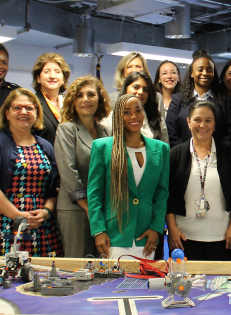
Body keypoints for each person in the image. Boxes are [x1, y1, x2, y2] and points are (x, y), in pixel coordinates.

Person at [0, 88, 62, 256]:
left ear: (36, 113)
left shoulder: (46, 146)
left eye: (29, 108)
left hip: (39, 225)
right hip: (0, 223)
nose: (24, 112)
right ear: (7, 113)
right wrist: (18, 215)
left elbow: (53, 188)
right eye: (17, 107)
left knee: (42, 277)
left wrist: (46, 212)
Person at [88, 94, 170, 259]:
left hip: (146, 235)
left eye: (138, 110)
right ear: (118, 116)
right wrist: (98, 231)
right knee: (115, 284)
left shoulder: (161, 149)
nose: (134, 116)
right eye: (127, 112)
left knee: (144, 283)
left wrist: (156, 228)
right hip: (114, 234)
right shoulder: (102, 147)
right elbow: (94, 194)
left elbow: (162, 194)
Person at [166, 101, 231, 260]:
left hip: (222, 236)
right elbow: (167, 195)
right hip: (183, 237)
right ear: (188, 122)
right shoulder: (175, 155)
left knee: (217, 283)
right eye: (197, 120)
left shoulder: (229, 155)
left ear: (214, 124)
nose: (202, 125)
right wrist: (172, 228)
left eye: (208, 120)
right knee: (187, 284)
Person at [54, 77, 111, 258]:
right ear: (73, 101)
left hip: (102, 210)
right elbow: (68, 173)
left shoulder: (106, 132)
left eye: (91, 94)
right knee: (78, 267)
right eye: (79, 95)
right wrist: (90, 209)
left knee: (103, 267)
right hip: (76, 210)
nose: (85, 99)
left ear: (99, 100)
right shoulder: (66, 129)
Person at [166, 50, 231, 148]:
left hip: (217, 158)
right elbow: (171, 133)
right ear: (192, 73)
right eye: (200, 69)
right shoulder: (177, 100)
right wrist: (189, 153)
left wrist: (215, 153)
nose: (205, 73)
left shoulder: (224, 101)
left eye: (209, 70)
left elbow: (230, 133)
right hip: (185, 158)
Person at [105, 52, 167, 127]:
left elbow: (161, 125)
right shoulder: (113, 98)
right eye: (129, 67)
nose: (134, 70)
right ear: (122, 72)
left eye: (138, 66)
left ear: (144, 70)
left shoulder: (157, 97)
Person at [32, 52, 71, 146]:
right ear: (38, 78)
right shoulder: (32, 104)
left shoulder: (69, 103)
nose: (52, 76)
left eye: (57, 71)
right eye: (47, 72)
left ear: (64, 78)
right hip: (43, 158)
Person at [121, 72, 169, 144]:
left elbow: (165, 150)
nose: (141, 92)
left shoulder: (158, 120)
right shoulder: (112, 117)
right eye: (136, 87)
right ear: (125, 89)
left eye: (145, 89)